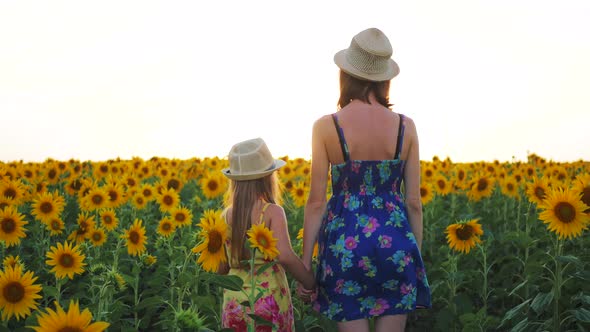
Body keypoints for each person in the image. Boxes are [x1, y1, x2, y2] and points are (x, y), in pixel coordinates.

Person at [299, 27, 431, 331]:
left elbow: (316, 202)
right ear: (385, 80)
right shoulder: (405, 127)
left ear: (345, 75)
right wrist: (414, 258)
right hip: (396, 242)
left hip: (345, 246)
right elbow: (414, 202)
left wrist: (306, 265)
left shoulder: (326, 127)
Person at [217, 137, 316, 332]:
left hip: (235, 301)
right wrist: (309, 281)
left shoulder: (225, 216)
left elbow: (221, 268)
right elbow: (286, 256)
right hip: (268, 299)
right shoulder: (272, 212)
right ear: (268, 178)